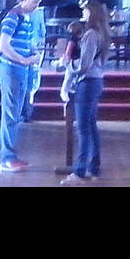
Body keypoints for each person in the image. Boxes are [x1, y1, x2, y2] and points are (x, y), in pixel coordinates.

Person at [0, 0, 43, 172]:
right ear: (23, 0)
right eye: (34, 2)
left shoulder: (27, 18)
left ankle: (11, 155)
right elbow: (3, 46)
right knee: (10, 114)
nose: (36, 6)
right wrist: (24, 60)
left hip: (21, 69)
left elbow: (22, 42)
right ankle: (6, 158)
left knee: (15, 114)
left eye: (38, 3)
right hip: (11, 69)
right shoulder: (12, 17)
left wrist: (33, 52)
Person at [61, 0, 109, 184]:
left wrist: (66, 64)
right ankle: (94, 168)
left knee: (83, 128)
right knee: (91, 126)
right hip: (96, 81)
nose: (83, 13)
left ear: (93, 13)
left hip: (87, 83)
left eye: (86, 11)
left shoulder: (90, 34)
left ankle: (79, 172)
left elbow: (83, 65)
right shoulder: (102, 33)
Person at [54, 21, 86, 176]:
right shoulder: (82, 38)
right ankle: (66, 93)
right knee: (70, 80)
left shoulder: (73, 39)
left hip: (73, 65)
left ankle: (64, 93)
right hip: (78, 66)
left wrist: (65, 60)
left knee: (67, 81)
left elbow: (68, 52)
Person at [21, 0, 47, 122]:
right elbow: (42, 33)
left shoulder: (18, 11)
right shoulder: (39, 13)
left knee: (25, 79)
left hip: (24, 48)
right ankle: (28, 110)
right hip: (34, 47)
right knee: (33, 79)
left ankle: (25, 110)